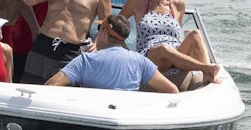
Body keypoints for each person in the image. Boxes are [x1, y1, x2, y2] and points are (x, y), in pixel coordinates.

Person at [115, 0, 221, 89]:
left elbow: (177, 37)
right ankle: (206, 68)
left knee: (195, 34)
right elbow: (115, 25)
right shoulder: (137, 2)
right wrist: (123, 49)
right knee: (163, 49)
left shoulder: (178, 4)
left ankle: (207, 78)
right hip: (150, 57)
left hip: (174, 54)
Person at [44, 16, 179, 93]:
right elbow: (172, 90)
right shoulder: (140, 61)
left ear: (103, 32)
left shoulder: (85, 60)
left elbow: (51, 85)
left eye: (99, 29)